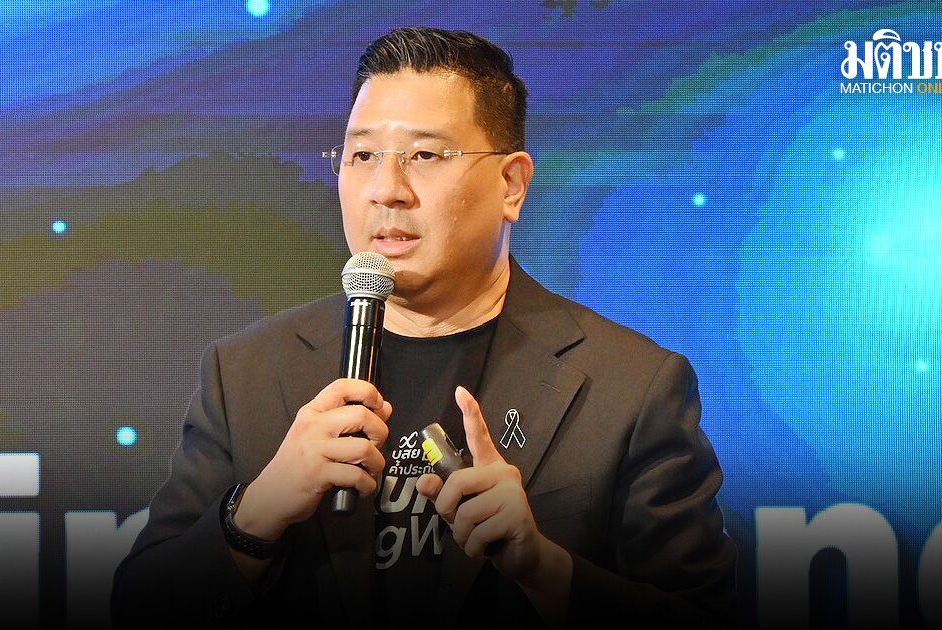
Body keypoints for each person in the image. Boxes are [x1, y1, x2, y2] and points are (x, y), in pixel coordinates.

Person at [111, 27, 736, 628]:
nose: (387, 190)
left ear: (512, 184)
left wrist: (546, 571)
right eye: (363, 156)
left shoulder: (629, 387)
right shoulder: (247, 372)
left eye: (426, 155)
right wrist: (254, 514)